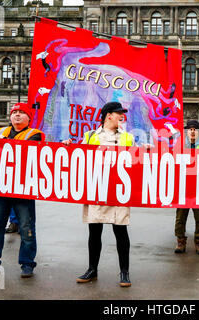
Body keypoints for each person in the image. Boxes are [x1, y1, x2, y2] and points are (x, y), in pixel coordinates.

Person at [63, 101, 134, 287]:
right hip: (96, 190)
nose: (122, 116)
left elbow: (136, 163)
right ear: (108, 115)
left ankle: (124, 272)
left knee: (121, 231)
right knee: (94, 231)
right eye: (119, 113)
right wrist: (68, 146)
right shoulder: (90, 136)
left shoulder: (128, 137)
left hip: (118, 191)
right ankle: (92, 269)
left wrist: (147, 152)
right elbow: (79, 158)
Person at [0, 102, 45, 278]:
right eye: (15, 112)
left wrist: (5, 144)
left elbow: (27, 153)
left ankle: (27, 264)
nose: (17, 115)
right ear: (10, 116)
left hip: (23, 190)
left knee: (27, 228)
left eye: (22, 113)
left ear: (29, 117)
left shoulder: (35, 135)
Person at [174, 120, 199, 255]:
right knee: (180, 218)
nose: (192, 131)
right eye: (189, 129)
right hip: (183, 187)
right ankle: (180, 241)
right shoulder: (179, 145)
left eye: (195, 129)